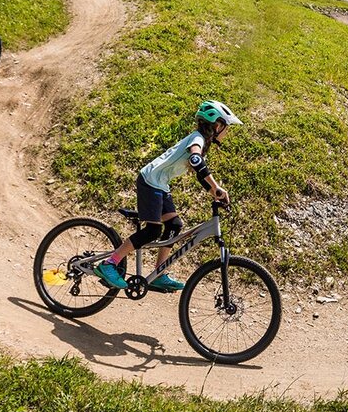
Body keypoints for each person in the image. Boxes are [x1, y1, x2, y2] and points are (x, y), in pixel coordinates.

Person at [94, 100, 242, 292]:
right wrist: (216, 186)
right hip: (150, 181)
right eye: (226, 127)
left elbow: (199, 172)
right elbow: (195, 160)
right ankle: (109, 263)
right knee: (153, 231)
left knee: (174, 225)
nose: (227, 132)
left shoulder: (201, 141)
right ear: (217, 125)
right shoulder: (197, 139)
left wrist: (214, 192)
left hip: (160, 184)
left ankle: (159, 273)